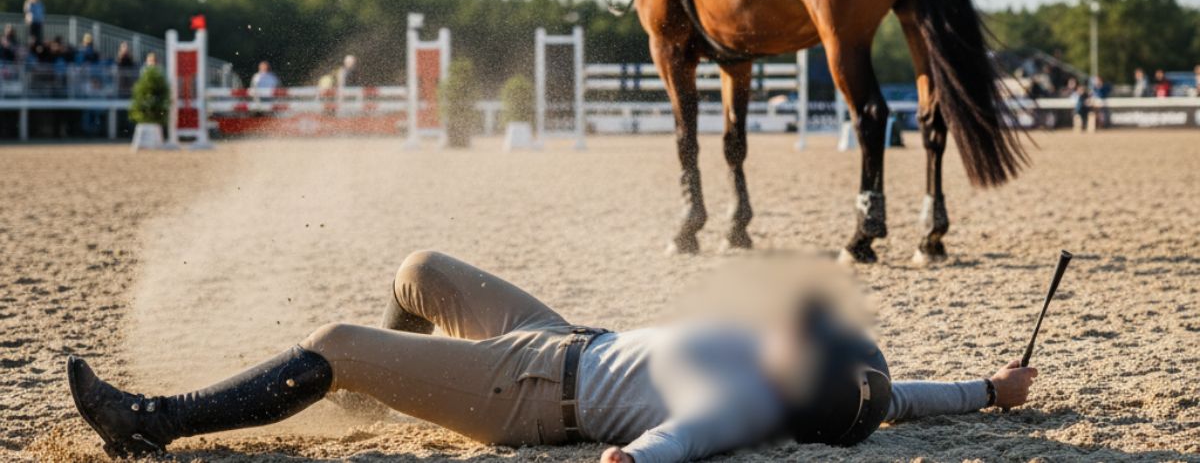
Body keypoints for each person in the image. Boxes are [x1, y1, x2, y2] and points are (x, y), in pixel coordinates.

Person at [68, 251, 1038, 462]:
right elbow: (897, 401)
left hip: (526, 396)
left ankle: (154, 424)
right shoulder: (818, 390)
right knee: (418, 274)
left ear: (795, 378)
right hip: (563, 341)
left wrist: (634, 461)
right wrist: (990, 390)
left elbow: (683, 441)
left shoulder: (740, 402)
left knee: (333, 344)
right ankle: (378, 392)